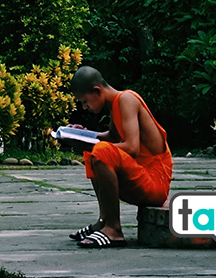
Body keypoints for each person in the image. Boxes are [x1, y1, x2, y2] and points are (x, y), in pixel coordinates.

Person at [67, 66, 173, 249]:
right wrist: (82, 135)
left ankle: (114, 229)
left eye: (85, 102)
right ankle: (104, 220)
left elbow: (132, 148)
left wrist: (97, 145)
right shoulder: (115, 105)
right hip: (141, 175)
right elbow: (113, 138)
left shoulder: (126, 99)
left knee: (101, 151)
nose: (85, 108)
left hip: (155, 181)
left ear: (97, 91)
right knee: (93, 151)